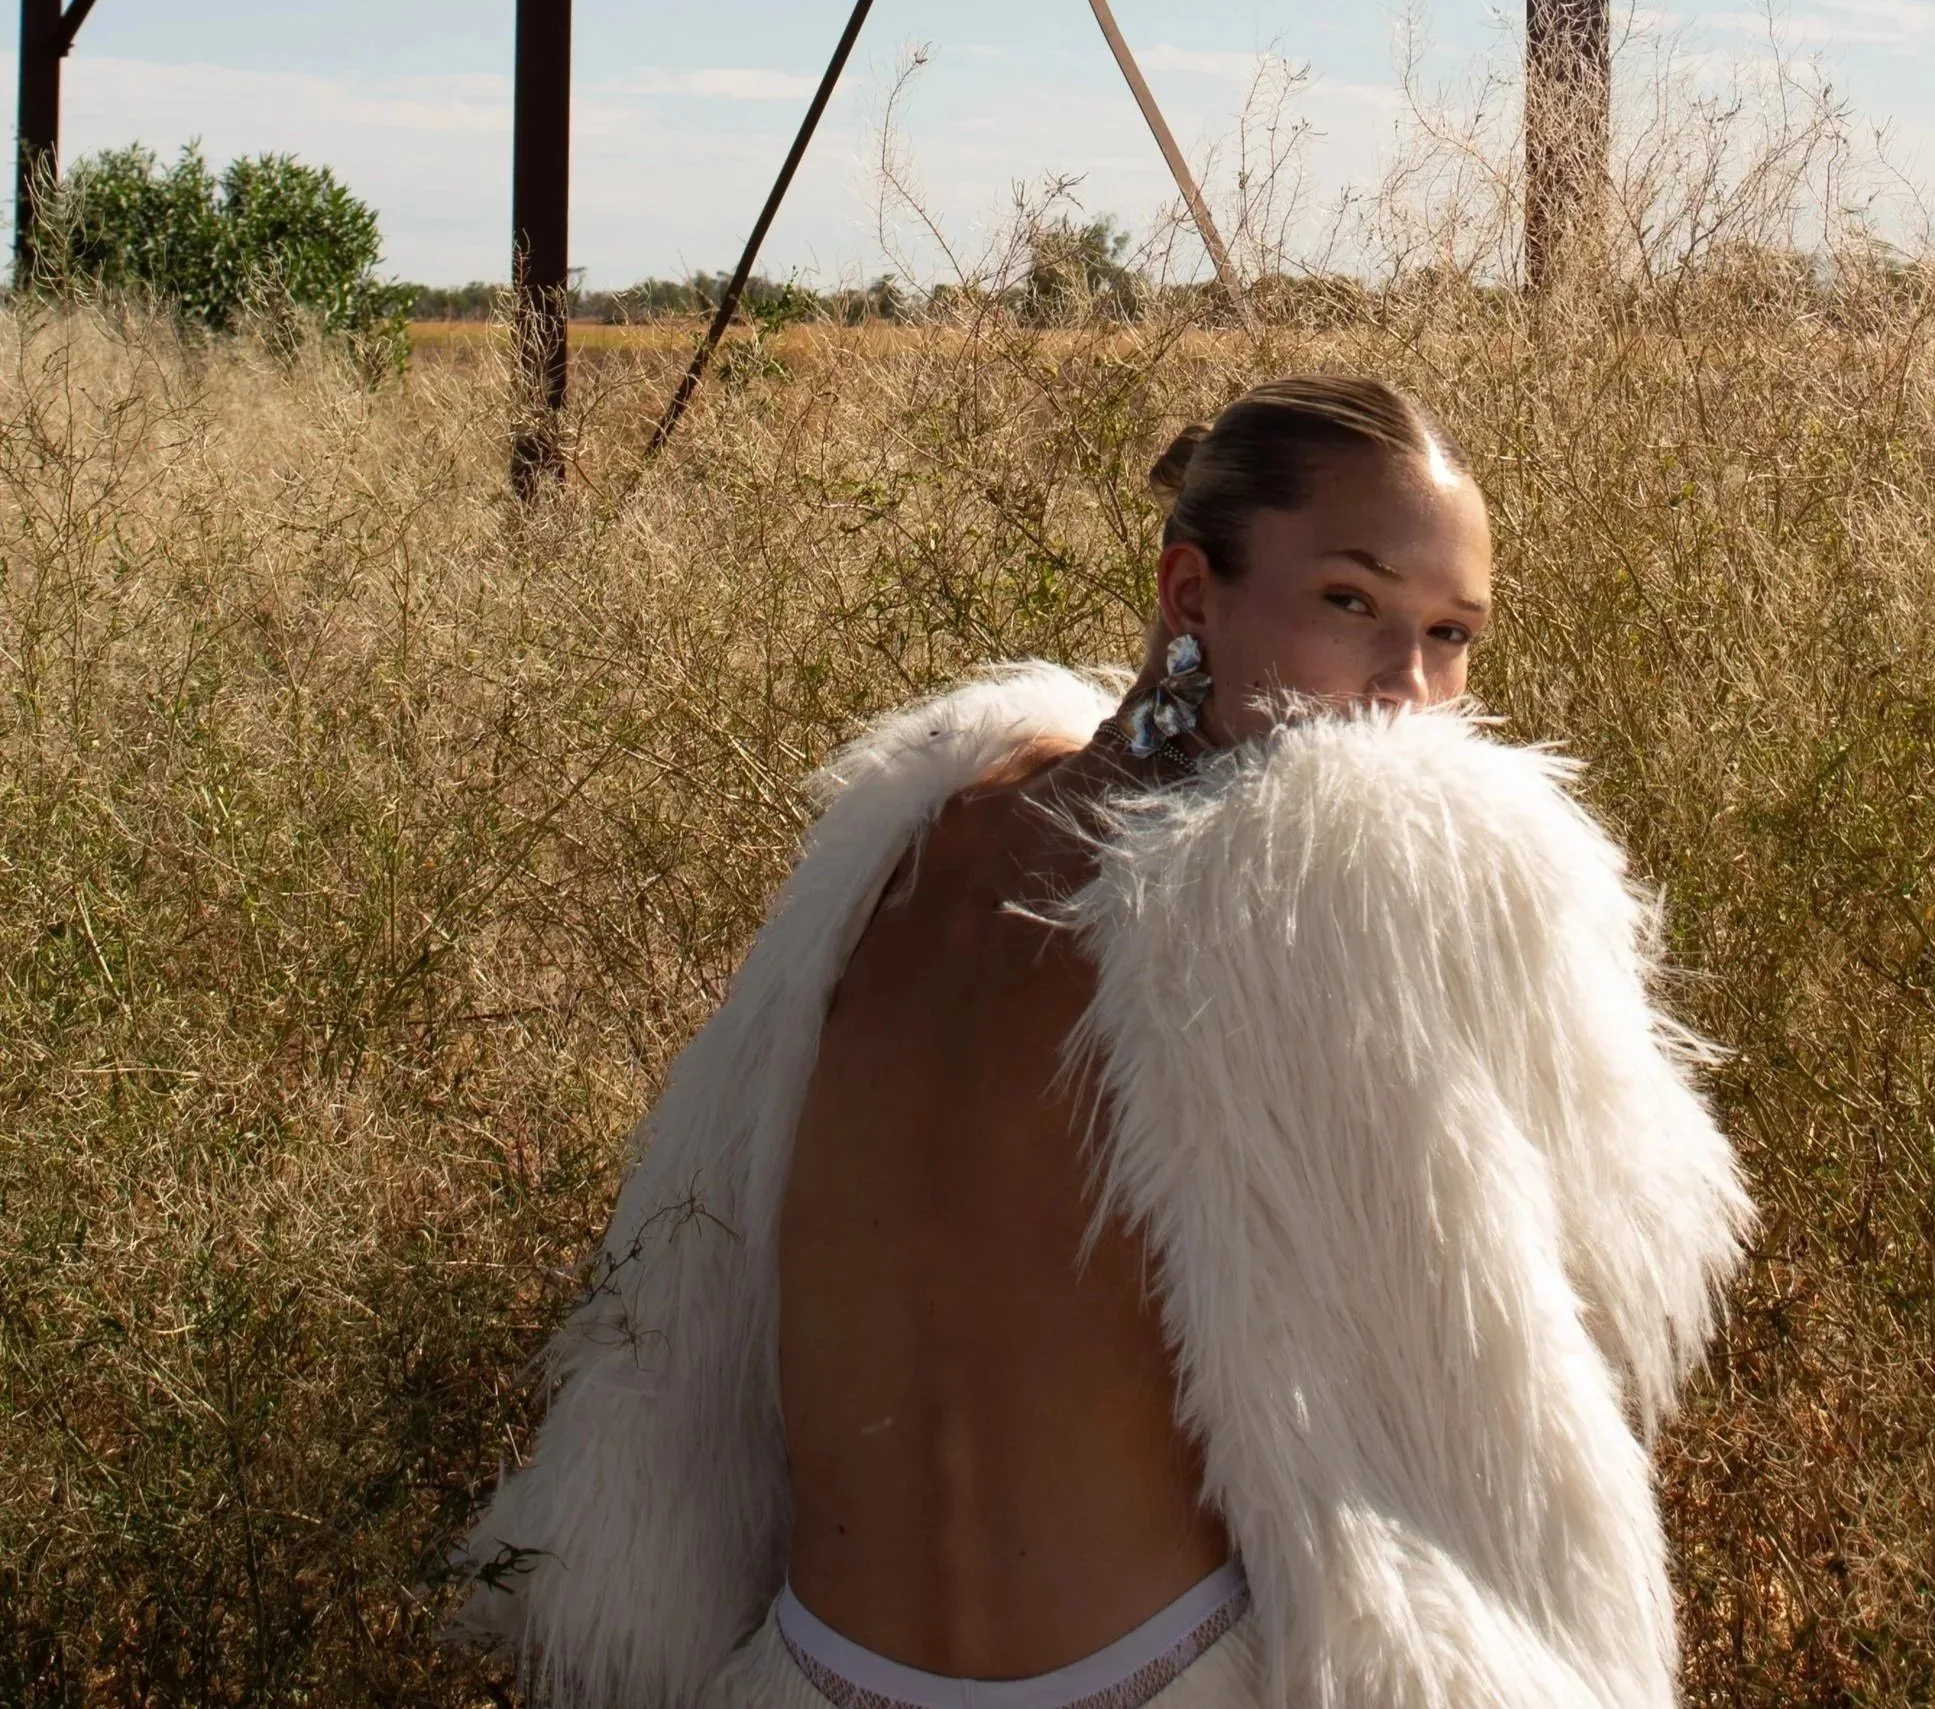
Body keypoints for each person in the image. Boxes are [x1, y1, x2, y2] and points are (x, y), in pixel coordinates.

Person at [459, 377, 1748, 1709]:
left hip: (804, 1669)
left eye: (1449, 634)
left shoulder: (914, 833)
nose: (1404, 691)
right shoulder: (1335, 879)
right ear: (1190, 595)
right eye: (1351, 606)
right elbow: (1608, 1255)